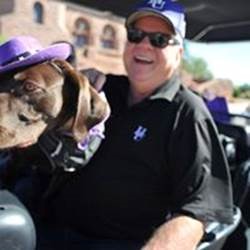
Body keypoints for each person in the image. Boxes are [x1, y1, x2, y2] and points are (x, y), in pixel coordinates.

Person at [2, 0, 234, 250]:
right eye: (135, 35)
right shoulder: (99, 90)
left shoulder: (188, 113)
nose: (143, 44)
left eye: (159, 39)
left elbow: (196, 213)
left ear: (179, 53)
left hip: (118, 243)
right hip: (45, 228)